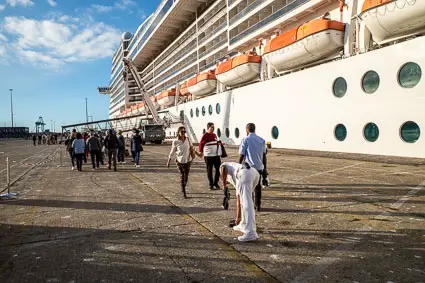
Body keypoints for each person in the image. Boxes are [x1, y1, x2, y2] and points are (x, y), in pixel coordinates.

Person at [220, 161, 260, 242]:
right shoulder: (234, 173)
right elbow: (238, 198)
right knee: (244, 201)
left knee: (246, 203)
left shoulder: (224, 165)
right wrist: (238, 219)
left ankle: (250, 233)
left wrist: (224, 185)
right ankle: (243, 224)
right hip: (253, 172)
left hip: (245, 174)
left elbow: (223, 168)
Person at [238, 123, 267, 211]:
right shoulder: (261, 140)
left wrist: (239, 166)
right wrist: (265, 168)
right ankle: (258, 206)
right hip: (259, 167)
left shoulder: (245, 139)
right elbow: (264, 155)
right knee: (258, 187)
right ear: (254, 129)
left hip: (249, 167)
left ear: (247, 129)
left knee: (249, 187)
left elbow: (242, 154)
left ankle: (250, 205)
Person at [167, 126, 194, 198]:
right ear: (178, 132)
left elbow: (192, 148)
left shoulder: (188, 139)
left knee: (186, 177)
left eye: (184, 132)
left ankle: (183, 187)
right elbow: (172, 151)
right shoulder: (175, 141)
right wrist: (169, 161)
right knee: (182, 175)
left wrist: (195, 155)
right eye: (182, 132)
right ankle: (184, 192)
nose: (183, 133)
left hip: (188, 160)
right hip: (179, 161)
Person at [197, 122, 221, 190]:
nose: (213, 129)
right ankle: (211, 185)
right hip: (208, 156)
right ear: (208, 128)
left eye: (214, 127)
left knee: (218, 169)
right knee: (209, 170)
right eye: (212, 127)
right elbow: (201, 144)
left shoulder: (214, 135)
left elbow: (216, 142)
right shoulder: (205, 135)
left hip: (216, 155)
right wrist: (200, 152)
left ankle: (216, 183)